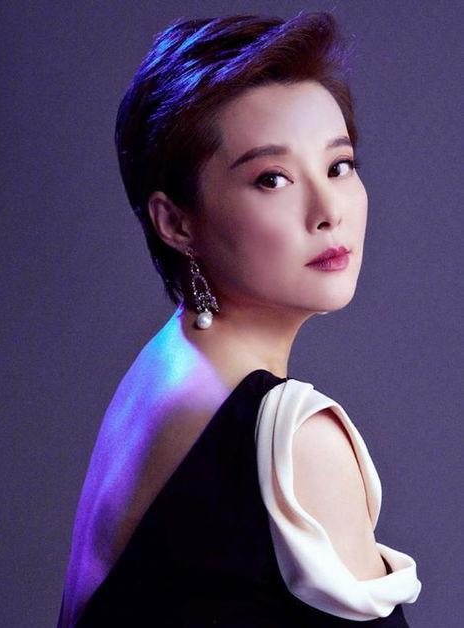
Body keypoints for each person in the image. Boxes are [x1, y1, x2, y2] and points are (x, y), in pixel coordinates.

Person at [57, 11, 422, 627]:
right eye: (272, 179)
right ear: (176, 222)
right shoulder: (298, 440)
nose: (327, 210)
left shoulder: (167, 366)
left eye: (338, 165)